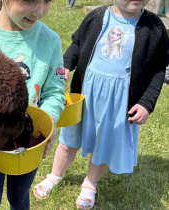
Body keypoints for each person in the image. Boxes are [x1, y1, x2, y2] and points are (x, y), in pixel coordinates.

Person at [33, 0, 169, 209]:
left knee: (104, 145)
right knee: (68, 141)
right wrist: (66, 65)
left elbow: (159, 69)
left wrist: (146, 103)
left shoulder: (154, 28)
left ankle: (90, 184)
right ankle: (54, 176)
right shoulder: (97, 16)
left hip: (119, 102)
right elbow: (77, 44)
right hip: (85, 95)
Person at [0, 0, 65, 209]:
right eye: (31, 1)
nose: (41, 11)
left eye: (47, 1)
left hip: (30, 143)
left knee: (19, 197)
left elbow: (54, 92)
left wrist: (48, 119)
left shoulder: (50, 41)